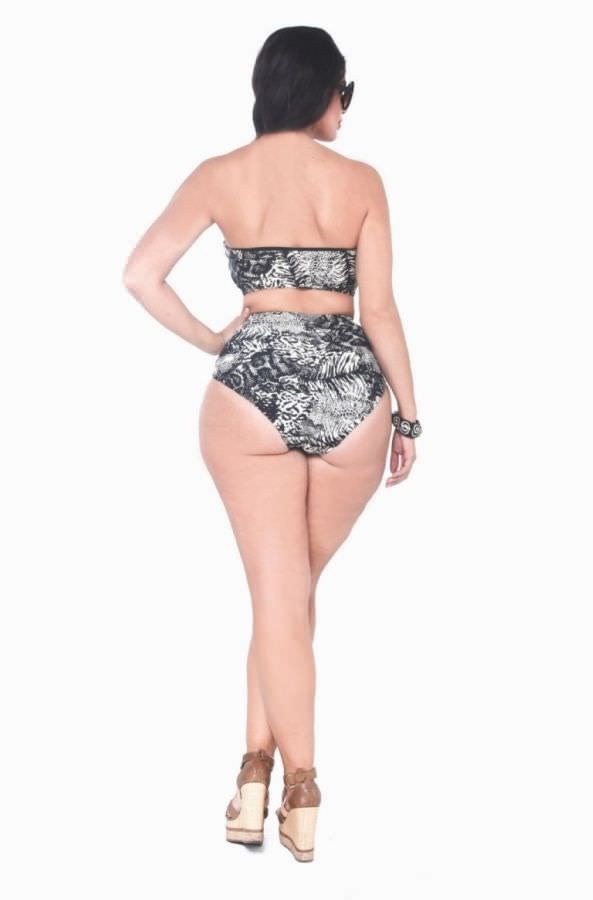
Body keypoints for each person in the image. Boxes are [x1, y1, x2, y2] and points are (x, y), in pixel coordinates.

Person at [122, 25, 422, 863]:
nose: (343, 109)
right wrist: (408, 415)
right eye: (343, 93)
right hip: (351, 397)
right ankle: (284, 781)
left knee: (277, 600)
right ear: (320, 91)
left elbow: (141, 273)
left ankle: (271, 784)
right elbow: (379, 310)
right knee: (289, 600)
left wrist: (217, 340)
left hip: (249, 392)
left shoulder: (220, 175)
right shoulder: (360, 181)